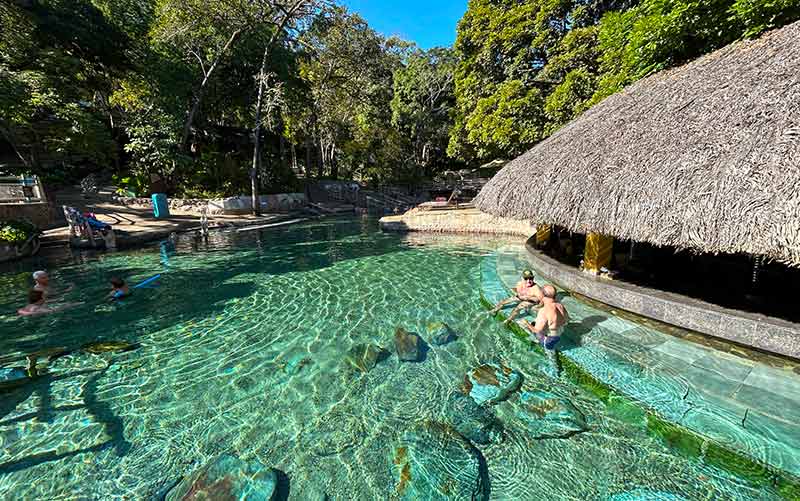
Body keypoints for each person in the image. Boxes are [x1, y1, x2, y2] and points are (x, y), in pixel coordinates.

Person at [521, 285, 569, 351]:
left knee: (530, 325)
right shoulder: (560, 305)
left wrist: (526, 323)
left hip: (549, 341)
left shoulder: (543, 311)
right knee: (542, 323)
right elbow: (567, 320)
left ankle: (535, 345)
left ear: (542, 296)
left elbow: (537, 330)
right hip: (560, 333)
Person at [18, 289, 82, 316]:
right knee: (67, 305)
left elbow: (20, 311)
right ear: (40, 299)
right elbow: (52, 311)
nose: (45, 298)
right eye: (44, 297)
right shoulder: (37, 308)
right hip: (40, 318)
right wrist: (68, 306)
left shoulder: (29, 306)